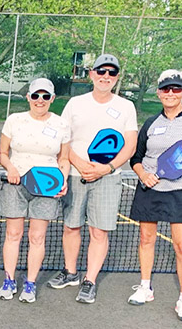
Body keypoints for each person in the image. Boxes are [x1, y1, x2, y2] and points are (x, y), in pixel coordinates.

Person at [47, 53, 137, 303]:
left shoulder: (126, 106)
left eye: (111, 73)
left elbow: (130, 146)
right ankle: (70, 272)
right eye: (101, 71)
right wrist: (80, 163)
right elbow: (62, 139)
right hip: (76, 174)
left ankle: (90, 280)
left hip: (108, 177)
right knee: (71, 226)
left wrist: (106, 168)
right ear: (91, 74)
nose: (105, 76)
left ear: (117, 77)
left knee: (99, 232)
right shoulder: (75, 104)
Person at [128, 70, 182, 322]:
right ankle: (145, 287)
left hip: (181, 193)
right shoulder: (151, 123)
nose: (171, 93)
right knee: (146, 239)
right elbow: (136, 157)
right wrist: (143, 174)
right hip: (150, 189)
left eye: (176, 89)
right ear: (159, 92)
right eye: (166, 89)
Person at [0, 78, 70, 303]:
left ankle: (30, 283)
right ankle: (9, 280)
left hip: (46, 188)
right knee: (13, 234)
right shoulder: (14, 120)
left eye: (45, 96)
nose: (40, 100)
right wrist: (10, 168)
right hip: (16, 185)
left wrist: (63, 180)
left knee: (37, 237)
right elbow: (2, 154)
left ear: (52, 99)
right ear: (28, 97)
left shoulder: (61, 125)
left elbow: (64, 159)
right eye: (36, 96)